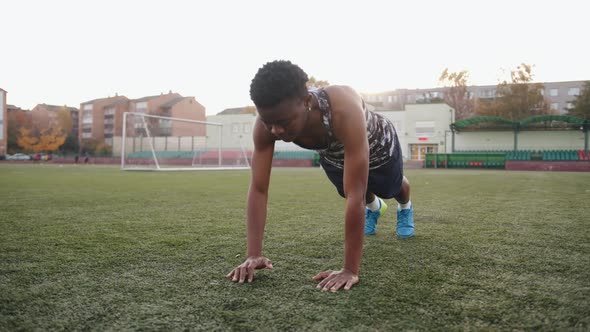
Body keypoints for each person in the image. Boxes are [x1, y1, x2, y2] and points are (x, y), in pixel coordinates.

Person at [226, 60, 413, 292]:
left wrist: (349, 270)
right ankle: (375, 209)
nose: (275, 131)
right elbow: (258, 188)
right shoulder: (268, 124)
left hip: (378, 144)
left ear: (306, 102)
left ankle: (405, 207)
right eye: (268, 122)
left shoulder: (343, 108)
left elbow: (356, 192)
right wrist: (253, 254)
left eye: (283, 123)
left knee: (390, 189)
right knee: (350, 191)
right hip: (333, 154)